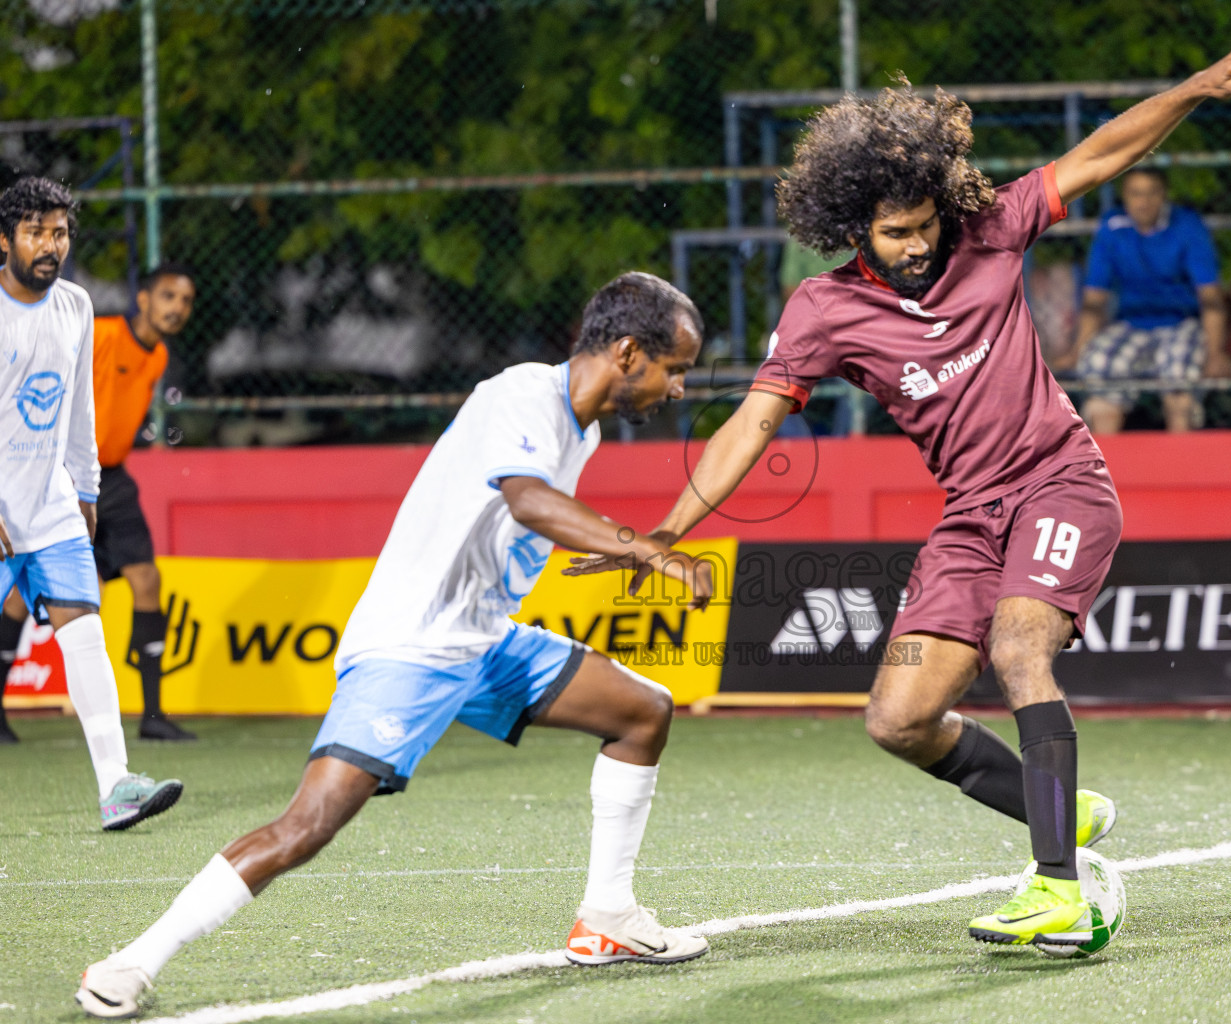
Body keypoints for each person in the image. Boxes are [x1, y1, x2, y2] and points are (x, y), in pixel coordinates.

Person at [570, 51, 1231, 952]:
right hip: (970, 516)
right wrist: (668, 529)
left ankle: (1065, 888)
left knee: (1019, 645)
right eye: (896, 233)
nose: (916, 246)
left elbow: (1100, 156)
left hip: (1060, 481)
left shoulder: (989, 229)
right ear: (852, 229)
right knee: (899, 720)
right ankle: (1051, 802)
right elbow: (752, 425)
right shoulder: (824, 310)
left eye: (923, 226)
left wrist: (1189, 92)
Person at [76, 272, 716, 1018]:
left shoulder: (587, 428)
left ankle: (607, 918)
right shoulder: (522, 395)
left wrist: (618, 546)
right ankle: (131, 961)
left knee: (643, 711)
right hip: (410, 647)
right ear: (630, 352)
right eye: (676, 368)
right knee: (306, 827)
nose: (678, 388)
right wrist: (650, 551)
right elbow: (529, 499)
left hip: (482, 641)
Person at [0, 176, 184, 824]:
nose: (50, 244)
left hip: (52, 508)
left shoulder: (75, 306)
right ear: (5, 239)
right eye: (35, 232)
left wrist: (84, 491)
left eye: (60, 232)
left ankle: (116, 785)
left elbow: (80, 413)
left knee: (85, 633)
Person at [0, 263, 201, 742]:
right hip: (60, 474)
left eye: (186, 301)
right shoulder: (104, 332)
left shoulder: (157, 356)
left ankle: (153, 715)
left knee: (147, 578)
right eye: (168, 296)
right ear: (145, 299)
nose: (178, 308)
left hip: (111, 480)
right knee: (18, 597)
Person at [1053, 167, 1229, 433]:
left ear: (1163, 196)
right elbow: (1094, 300)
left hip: (1181, 323)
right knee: (1099, 367)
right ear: (1125, 197)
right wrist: (1078, 350)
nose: (1143, 202)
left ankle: (1183, 469)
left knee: (1178, 383)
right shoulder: (1112, 226)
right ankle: (1107, 471)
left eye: (1151, 194)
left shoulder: (1187, 225)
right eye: (1135, 194)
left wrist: (1216, 353)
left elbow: (1211, 298)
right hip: (1131, 324)